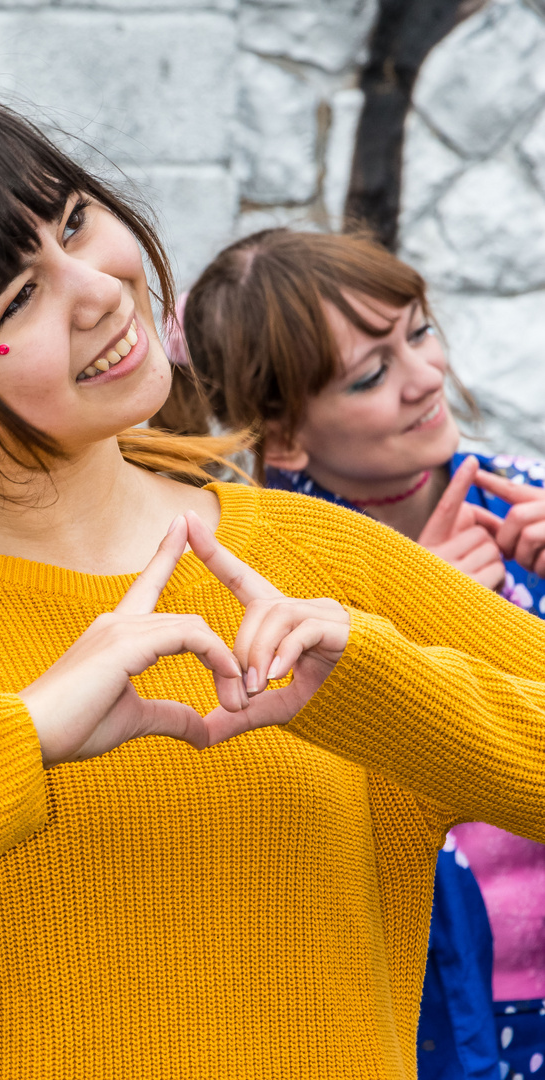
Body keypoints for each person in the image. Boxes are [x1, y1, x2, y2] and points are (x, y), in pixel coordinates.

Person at [0, 34, 545, 1080]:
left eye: (71, 222)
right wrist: (20, 740)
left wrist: (376, 684)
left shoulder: (322, 559)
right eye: (14, 299)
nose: (100, 288)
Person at [157, 226, 545, 1080]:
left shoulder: (530, 505)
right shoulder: (252, 585)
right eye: (371, 374)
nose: (426, 377)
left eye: (418, 332)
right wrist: (393, 641)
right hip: (408, 1017)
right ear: (283, 436)